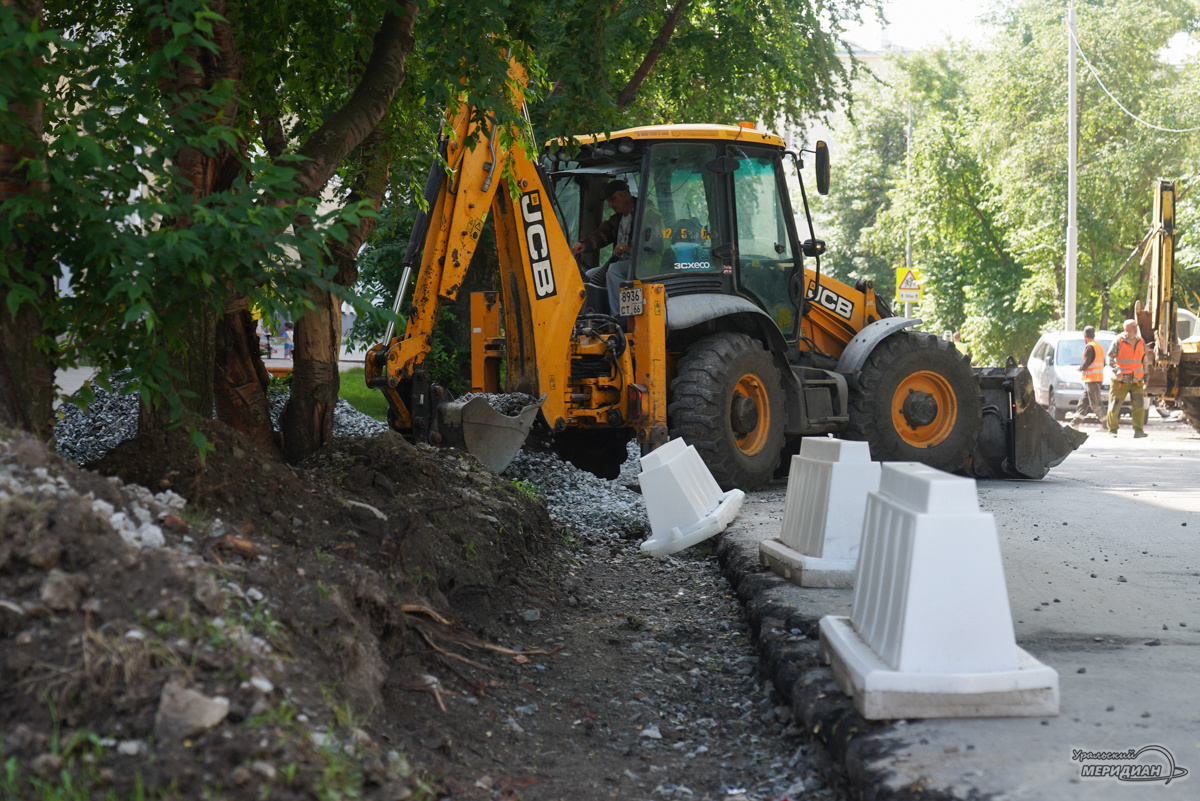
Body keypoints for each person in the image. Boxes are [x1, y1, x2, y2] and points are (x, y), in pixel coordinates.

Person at [571, 180, 660, 316]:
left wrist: (628, 249)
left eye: (613, 199)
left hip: (648, 264)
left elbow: (654, 247)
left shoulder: (647, 213)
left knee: (613, 270)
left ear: (625, 195)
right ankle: (594, 315)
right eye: (608, 201)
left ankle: (619, 317)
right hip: (626, 265)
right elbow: (602, 234)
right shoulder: (619, 218)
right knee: (590, 275)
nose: (610, 205)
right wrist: (584, 244)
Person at [1106, 319, 1146, 438]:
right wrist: (1117, 371)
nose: (1135, 328)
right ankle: (1112, 430)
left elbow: (1144, 360)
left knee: (1139, 406)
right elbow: (1110, 358)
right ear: (1126, 330)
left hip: (1136, 380)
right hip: (1120, 380)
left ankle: (1138, 431)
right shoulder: (1118, 341)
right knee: (1114, 406)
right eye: (1133, 327)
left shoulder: (1140, 341)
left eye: (1135, 326)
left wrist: (1147, 377)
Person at [1071, 325, 1105, 423]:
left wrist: (1080, 368)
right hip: (1096, 378)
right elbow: (1103, 362)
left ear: (1085, 337)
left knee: (1095, 403)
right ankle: (1075, 423)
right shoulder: (1099, 346)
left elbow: (1087, 362)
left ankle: (1107, 424)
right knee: (1083, 402)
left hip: (1092, 379)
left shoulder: (1089, 346)